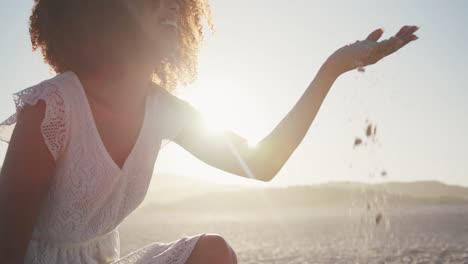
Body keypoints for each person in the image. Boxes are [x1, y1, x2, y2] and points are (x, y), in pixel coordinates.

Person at [0, 0, 419, 263]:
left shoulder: (162, 109)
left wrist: (333, 69)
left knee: (212, 253)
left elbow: (261, 163)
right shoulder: (51, 110)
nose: (169, 6)